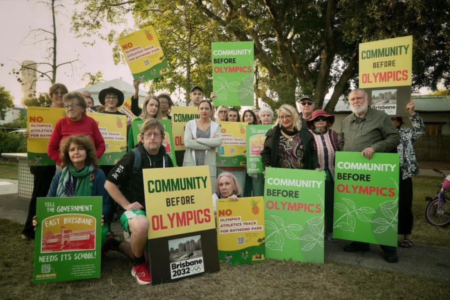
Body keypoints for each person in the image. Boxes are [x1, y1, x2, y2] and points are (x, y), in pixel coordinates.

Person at [34, 135, 132, 258]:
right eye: (72, 149)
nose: (76, 152)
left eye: (80, 149)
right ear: (67, 153)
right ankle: (111, 242)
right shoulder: (59, 177)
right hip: (63, 224)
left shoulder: (98, 174)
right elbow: (48, 203)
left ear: (87, 152)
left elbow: (107, 204)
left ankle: (109, 241)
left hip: (90, 223)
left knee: (97, 237)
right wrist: (40, 217)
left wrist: (100, 216)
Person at [105, 119, 174, 285]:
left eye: (156, 134)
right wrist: (126, 205)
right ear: (142, 137)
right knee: (142, 225)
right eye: (148, 135)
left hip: (157, 210)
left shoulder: (167, 160)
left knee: (152, 258)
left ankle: (116, 244)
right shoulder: (132, 156)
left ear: (163, 137)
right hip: (134, 210)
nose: (152, 138)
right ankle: (138, 265)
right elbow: (109, 184)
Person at [340, 88, 401, 263]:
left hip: (376, 173)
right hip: (353, 174)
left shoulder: (380, 117)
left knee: (379, 206)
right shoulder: (345, 121)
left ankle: (388, 247)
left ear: (366, 99)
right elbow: (343, 142)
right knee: (357, 207)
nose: (356, 101)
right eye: (352, 99)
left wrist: (375, 148)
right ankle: (360, 242)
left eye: (359, 98)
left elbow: (394, 138)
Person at [22, 83, 68, 240]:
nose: (59, 95)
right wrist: (29, 133)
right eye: (56, 92)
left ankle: (53, 229)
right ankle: (30, 229)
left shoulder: (69, 113)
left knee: (60, 195)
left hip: (65, 161)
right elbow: (33, 131)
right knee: (40, 194)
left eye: (62, 92)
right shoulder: (41, 112)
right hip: (44, 161)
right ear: (51, 95)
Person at [391, 99, 425, 248]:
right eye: (387, 119)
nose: (390, 122)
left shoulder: (406, 133)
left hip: (403, 173)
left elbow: (420, 130)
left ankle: (407, 235)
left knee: (404, 205)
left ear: (398, 122)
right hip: (384, 174)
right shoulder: (377, 136)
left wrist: (411, 112)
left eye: (393, 119)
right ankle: (387, 234)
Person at [306, 109, 340, 240]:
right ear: (312, 123)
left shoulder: (333, 135)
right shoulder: (308, 135)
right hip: (314, 175)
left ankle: (330, 231)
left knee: (330, 204)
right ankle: (315, 231)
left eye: (323, 119)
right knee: (314, 205)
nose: (320, 121)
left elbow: (340, 152)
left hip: (331, 173)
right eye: (317, 119)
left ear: (327, 122)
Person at [47, 92, 105, 166]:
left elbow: (101, 145)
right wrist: (64, 162)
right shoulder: (61, 123)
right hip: (65, 167)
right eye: (67, 106)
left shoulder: (91, 122)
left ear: (82, 108)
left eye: (73, 105)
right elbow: (51, 149)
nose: (70, 108)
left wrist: (91, 160)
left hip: (88, 166)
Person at [261, 104, 318, 170]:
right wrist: (267, 167)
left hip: (303, 177)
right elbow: (266, 153)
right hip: (280, 177)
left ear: (294, 116)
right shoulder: (273, 134)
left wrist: (316, 167)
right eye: (281, 117)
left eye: (288, 116)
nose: (285, 119)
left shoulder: (304, 133)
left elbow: (312, 153)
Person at [183, 100, 223, 191]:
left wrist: (199, 140)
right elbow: (188, 143)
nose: (204, 111)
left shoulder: (216, 126)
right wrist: (209, 145)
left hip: (208, 164)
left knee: (208, 192)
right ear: (198, 110)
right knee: (191, 192)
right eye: (201, 108)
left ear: (211, 111)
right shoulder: (190, 124)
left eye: (206, 108)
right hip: (191, 163)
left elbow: (218, 142)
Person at [242, 110, 258, 197]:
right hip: (242, 161)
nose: (248, 117)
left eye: (250, 115)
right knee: (245, 185)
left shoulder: (258, 129)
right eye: (246, 116)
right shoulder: (239, 130)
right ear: (243, 118)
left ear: (254, 118)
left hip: (255, 161)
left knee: (256, 186)